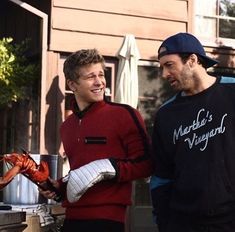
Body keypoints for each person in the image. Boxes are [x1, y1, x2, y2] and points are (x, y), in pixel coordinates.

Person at [39, 48, 153, 232]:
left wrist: (108, 168)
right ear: (72, 84)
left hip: (107, 221)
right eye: (91, 77)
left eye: (101, 74)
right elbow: (81, 174)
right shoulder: (66, 126)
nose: (99, 82)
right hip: (72, 220)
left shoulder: (124, 114)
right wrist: (58, 187)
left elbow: (146, 164)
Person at [150, 32, 235, 232]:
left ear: (192, 60)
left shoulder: (232, 92)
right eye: (161, 67)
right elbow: (161, 176)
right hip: (184, 221)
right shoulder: (166, 114)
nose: (164, 74)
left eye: (169, 65)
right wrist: (164, 222)